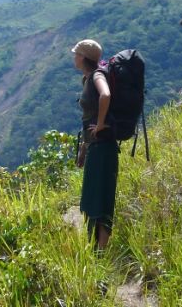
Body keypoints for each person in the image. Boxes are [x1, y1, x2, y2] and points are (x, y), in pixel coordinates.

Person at [71, 39, 119, 250]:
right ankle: (95, 250)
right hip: (95, 147)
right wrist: (84, 147)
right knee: (92, 200)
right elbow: (87, 116)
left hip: (104, 147)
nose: (74, 57)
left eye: (76, 54)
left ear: (83, 57)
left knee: (101, 200)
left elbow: (105, 95)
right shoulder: (88, 78)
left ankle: (101, 253)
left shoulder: (97, 76)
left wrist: (100, 125)